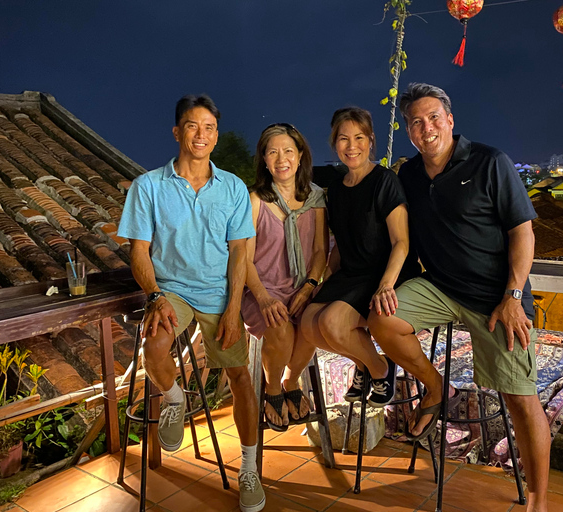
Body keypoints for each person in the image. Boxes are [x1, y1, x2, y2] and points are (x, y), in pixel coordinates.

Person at [368, 83, 550, 512]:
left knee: (521, 399)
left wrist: (513, 294)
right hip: (440, 288)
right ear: (408, 131)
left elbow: (522, 231)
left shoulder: (490, 162)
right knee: (382, 319)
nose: (425, 127)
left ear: (450, 120)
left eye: (433, 118)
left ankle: (538, 500)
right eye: (416, 121)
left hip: (495, 297)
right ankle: (436, 386)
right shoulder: (408, 175)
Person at [118, 95, 265, 512]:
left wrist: (234, 307)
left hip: (220, 294)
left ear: (216, 135)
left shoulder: (233, 187)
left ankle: (250, 468)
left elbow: (240, 253)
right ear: (177, 132)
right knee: (155, 346)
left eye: (208, 127)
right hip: (173, 292)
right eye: (192, 125)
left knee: (240, 375)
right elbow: (140, 251)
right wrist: (156, 295)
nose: (200, 134)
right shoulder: (148, 186)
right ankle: (175, 398)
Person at [300, 107, 419, 408]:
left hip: (383, 272)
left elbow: (401, 242)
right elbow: (339, 243)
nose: (351, 146)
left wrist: (386, 285)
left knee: (333, 323)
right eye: (343, 139)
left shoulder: (384, 181)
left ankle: (380, 369)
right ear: (334, 143)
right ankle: (365, 365)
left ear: (370, 141)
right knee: (308, 323)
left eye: (359, 137)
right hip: (351, 272)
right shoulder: (337, 190)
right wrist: (325, 280)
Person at [241, 123, 328, 431]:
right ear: (264, 160)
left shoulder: (316, 199)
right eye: (273, 152)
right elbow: (243, 259)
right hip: (261, 289)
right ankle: (273, 388)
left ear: (301, 156)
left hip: (303, 286)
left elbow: (320, 252)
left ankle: (292, 381)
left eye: (288, 151)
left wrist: (310, 285)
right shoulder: (254, 200)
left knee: (314, 321)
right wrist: (263, 298)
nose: (282, 159)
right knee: (279, 328)